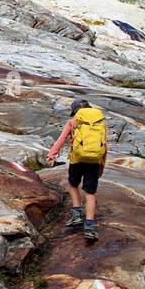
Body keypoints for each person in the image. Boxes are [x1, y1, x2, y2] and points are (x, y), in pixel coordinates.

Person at [45, 98, 107, 241]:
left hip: (77, 159)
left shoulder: (73, 122)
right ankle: (90, 227)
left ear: (75, 112)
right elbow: (104, 145)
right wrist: (101, 164)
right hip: (94, 161)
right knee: (90, 192)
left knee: (73, 184)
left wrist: (51, 155)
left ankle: (77, 215)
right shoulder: (100, 123)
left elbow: (61, 139)